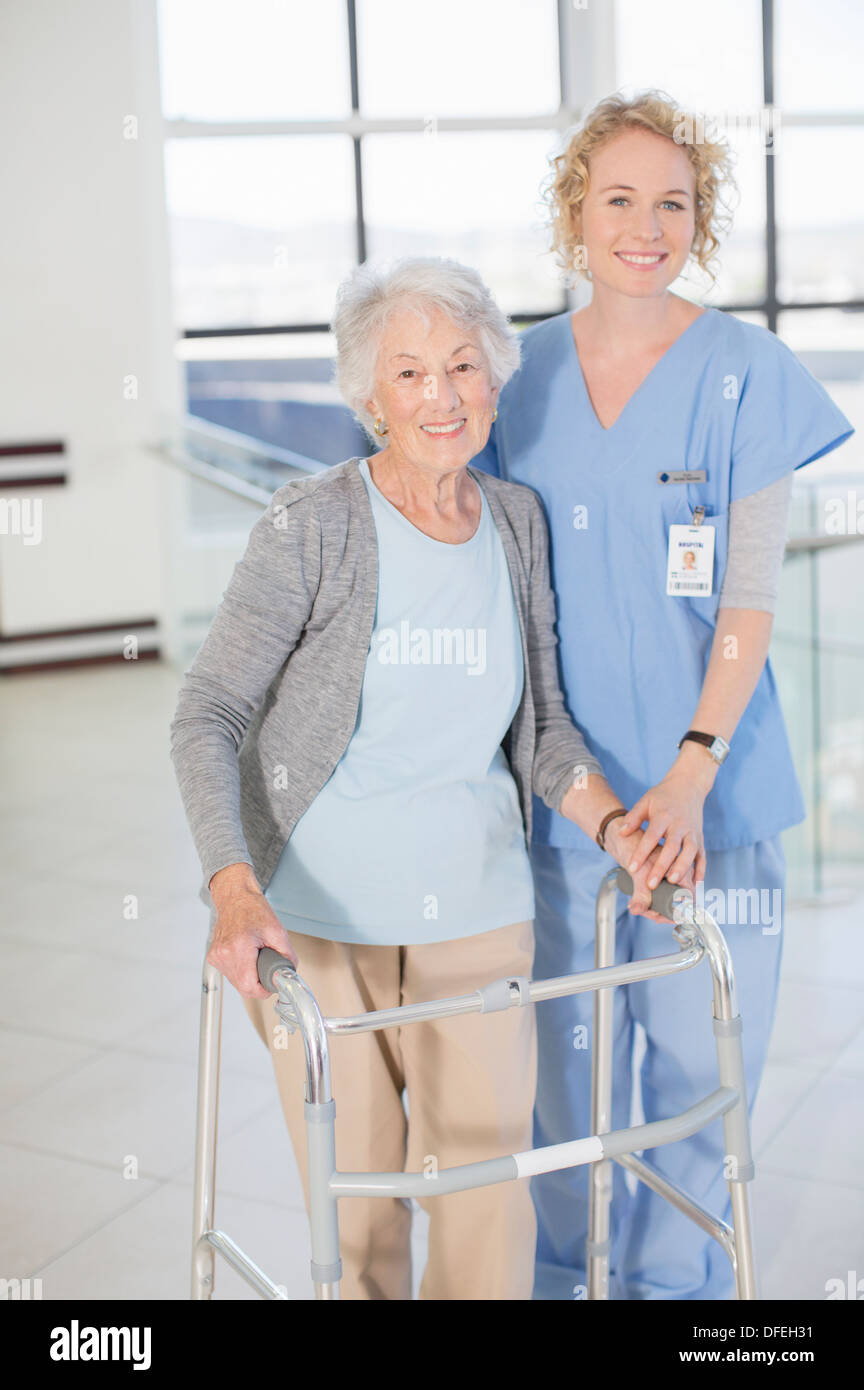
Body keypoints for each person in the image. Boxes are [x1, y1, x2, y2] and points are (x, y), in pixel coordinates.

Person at [169, 256, 672, 1301]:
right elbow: (206, 710)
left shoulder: (517, 522)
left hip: (479, 918)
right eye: (408, 373)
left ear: (495, 380)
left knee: (487, 1212)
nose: (441, 395)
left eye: (462, 366)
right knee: (355, 1228)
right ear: (370, 397)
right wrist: (232, 885)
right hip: (319, 926)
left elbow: (545, 735)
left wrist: (617, 826)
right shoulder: (310, 524)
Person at [471, 90, 854, 1301]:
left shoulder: (746, 371)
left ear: (705, 217)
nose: (646, 225)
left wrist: (689, 776)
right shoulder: (512, 376)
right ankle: (557, 1282)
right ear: (574, 213)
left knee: (692, 1085)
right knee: (561, 1088)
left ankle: (673, 1299)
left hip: (712, 800)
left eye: (673, 201)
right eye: (618, 199)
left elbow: (747, 602)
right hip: (566, 802)